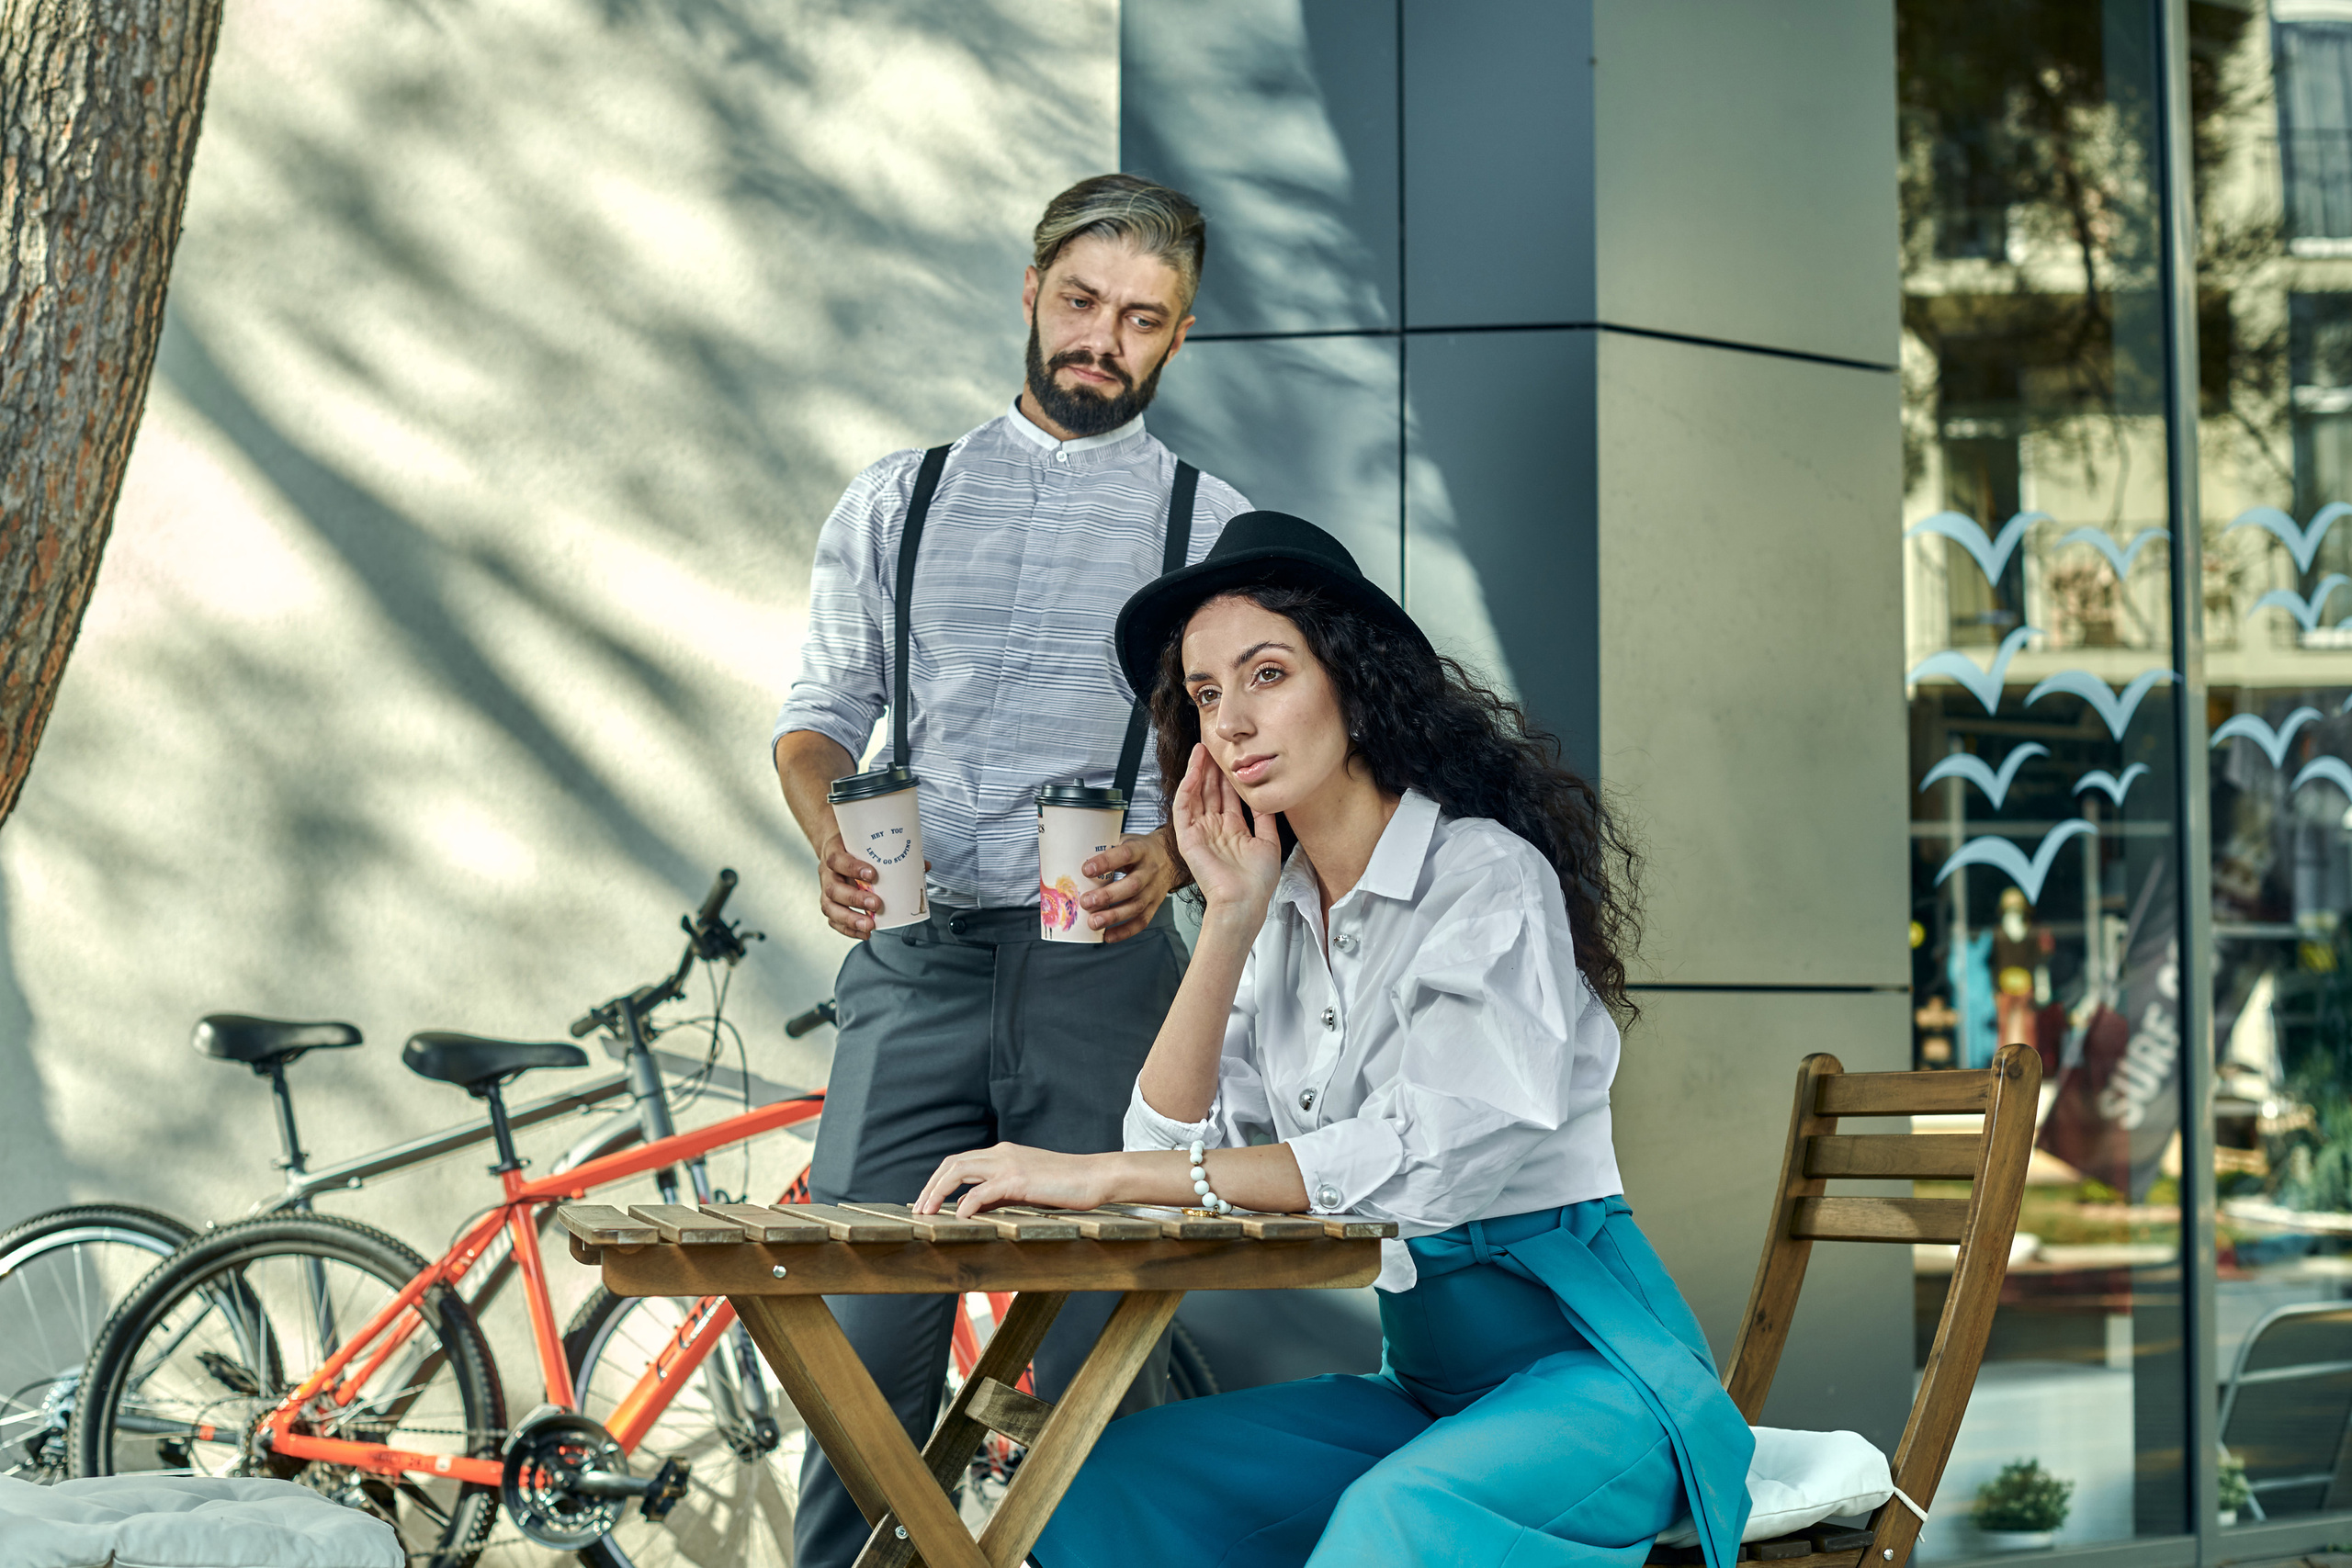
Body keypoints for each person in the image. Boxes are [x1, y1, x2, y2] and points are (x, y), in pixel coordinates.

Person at [915, 513, 1757, 1566]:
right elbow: (1164, 1152)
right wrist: (1224, 916)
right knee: (1091, 1492)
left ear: (1353, 684)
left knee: (1392, 1525)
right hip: (1426, 1397)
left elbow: (1423, 1169)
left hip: (1602, 1386)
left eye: (1266, 674)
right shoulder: (1277, 909)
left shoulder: (1483, 879)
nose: (1229, 722)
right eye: (1207, 694)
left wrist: (1092, 1175)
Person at [769, 173, 1252, 1568]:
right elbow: (819, 711)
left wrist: (1166, 853)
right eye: (1085, 300)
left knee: (1109, 1357)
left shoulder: (1213, 526)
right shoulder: (898, 497)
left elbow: (1240, 752)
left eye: (1144, 318)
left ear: (1180, 336)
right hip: (913, 962)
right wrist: (827, 837)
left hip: (1104, 976)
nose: (1105, 336)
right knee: (858, 1360)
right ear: (1033, 291)